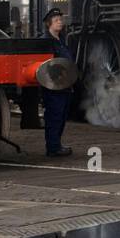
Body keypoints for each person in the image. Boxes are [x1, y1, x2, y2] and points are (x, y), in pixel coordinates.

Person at [41, 8, 74, 157]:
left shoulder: (61, 40)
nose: (60, 22)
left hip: (65, 85)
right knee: (54, 116)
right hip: (53, 86)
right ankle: (53, 147)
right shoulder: (47, 42)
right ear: (49, 24)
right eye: (56, 20)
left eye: (60, 20)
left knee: (61, 116)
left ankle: (56, 144)